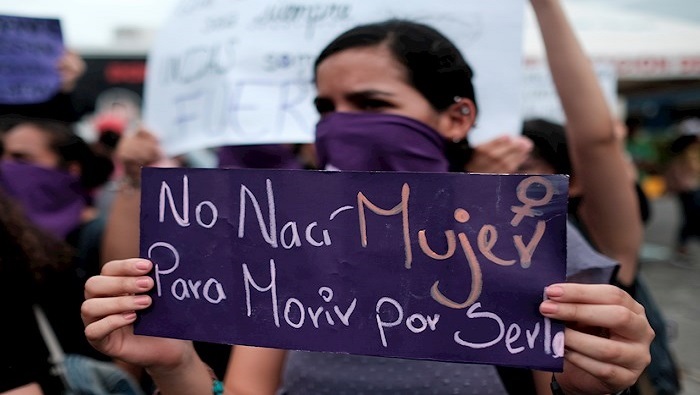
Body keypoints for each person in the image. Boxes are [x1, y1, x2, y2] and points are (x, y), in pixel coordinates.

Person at [82, 1, 654, 394]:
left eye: (372, 103)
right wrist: (177, 367)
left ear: (457, 117)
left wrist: (594, 386)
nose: (341, 126)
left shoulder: (517, 231)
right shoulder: (297, 235)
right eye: (326, 109)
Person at [664, 118, 700, 264]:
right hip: (687, 189)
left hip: (691, 188)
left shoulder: (690, 151)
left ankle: (682, 246)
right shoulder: (684, 153)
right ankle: (682, 247)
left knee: (691, 217)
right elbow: (676, 173)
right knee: (691, 217)